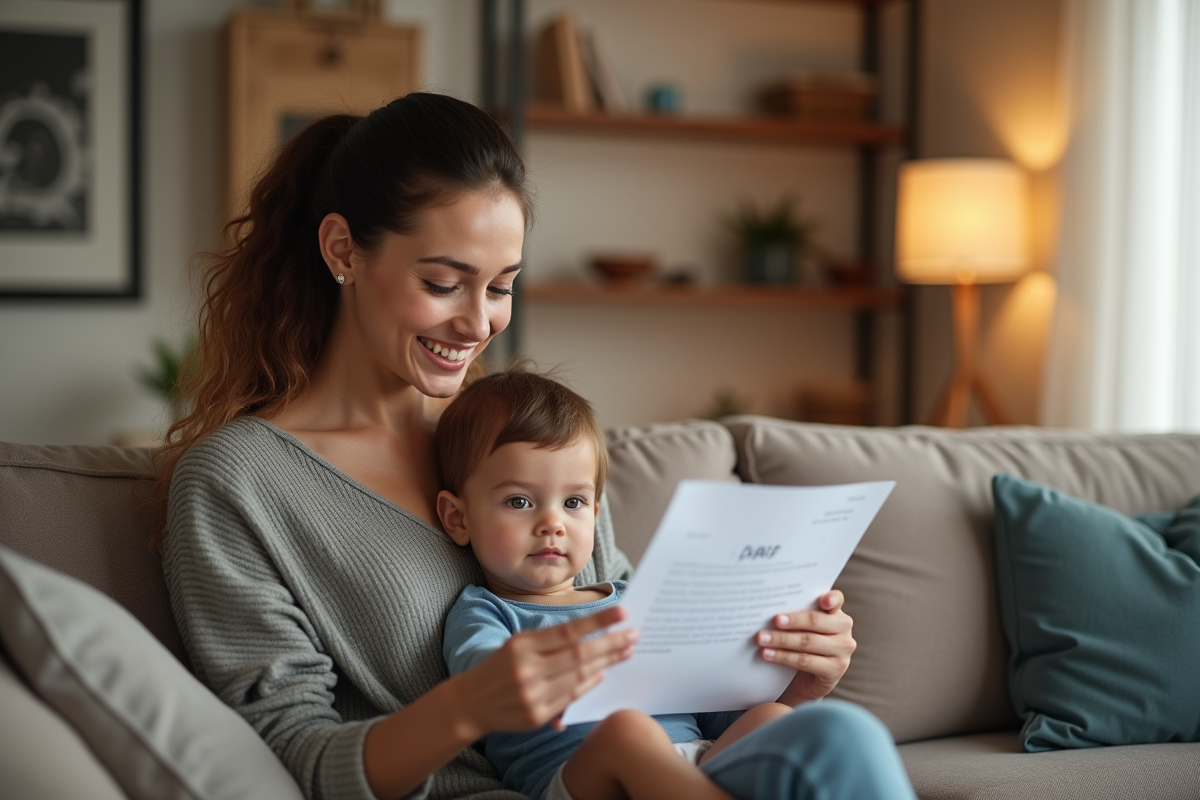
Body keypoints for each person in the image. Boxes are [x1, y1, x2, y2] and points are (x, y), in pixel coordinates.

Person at [157, 91, 916, 800]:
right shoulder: (240, 483)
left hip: (642, 776)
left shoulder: (525, 436)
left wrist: (789, 680)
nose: (480, 323)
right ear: (343, 251)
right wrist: (465, 708)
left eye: (500, 286)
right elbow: (283, 760)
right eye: (445, 282)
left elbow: (641, 675)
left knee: (837, 732)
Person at [435, 368, 797, 800]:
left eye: (573, 502)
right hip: (584, 777)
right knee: (627, 731)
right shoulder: (485, 610)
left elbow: (713, 711)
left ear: (595, 512)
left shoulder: (634, 600)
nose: (553, 523)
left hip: (696, 764)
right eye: (520, 501)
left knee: (773, 718)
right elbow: (483, 678)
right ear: (459, 518)